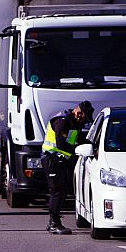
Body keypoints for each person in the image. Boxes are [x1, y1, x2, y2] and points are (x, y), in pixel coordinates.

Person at [41, 100, 94, 235]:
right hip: (51, 159)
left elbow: (78, 139)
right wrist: (77, 150)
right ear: (78, 111)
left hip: (60, 160)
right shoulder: (62, 121)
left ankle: (52, 222)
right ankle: (54, 224)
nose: (83, 121)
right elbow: (61, 144)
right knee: (56, 192)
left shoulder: (75, 123)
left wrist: (93, 146)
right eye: (83, 117)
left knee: (63, 191)